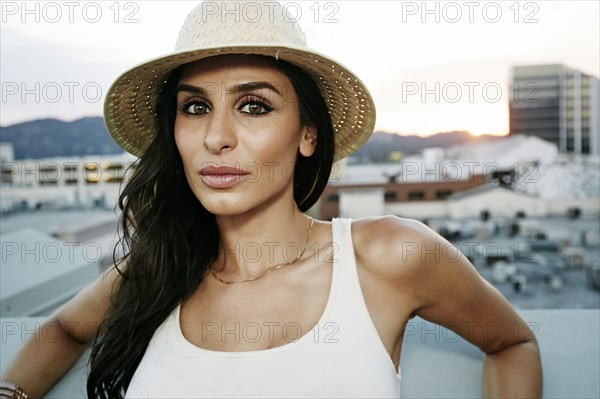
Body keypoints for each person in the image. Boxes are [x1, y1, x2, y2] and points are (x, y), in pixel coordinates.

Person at [0, 1, 542, 398]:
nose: (216, 137)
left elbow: (512, 343)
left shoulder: (389, 255)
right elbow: (64, 328)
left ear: (308, 133)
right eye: (194, 108)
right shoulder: (159, 268)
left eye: (254, 106)